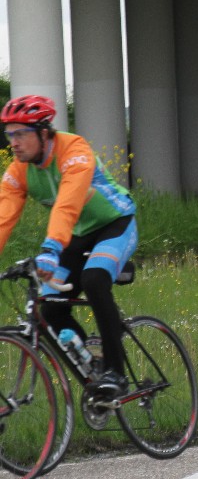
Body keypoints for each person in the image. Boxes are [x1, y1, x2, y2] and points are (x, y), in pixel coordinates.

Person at [0, 95, 137, 398]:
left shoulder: (74, 150)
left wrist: (51, 249)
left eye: (20, 133)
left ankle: (116, 372)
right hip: (75, 237)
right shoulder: (19, 171)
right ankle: (92, 366)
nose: (14, 143)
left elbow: (68, 203)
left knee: (94, 279)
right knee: (48, 308)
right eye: (9, 135)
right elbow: (2, 218)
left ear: (43, 132)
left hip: (114, 225)